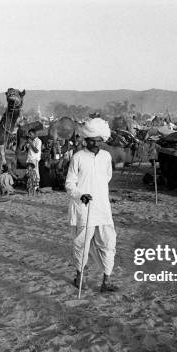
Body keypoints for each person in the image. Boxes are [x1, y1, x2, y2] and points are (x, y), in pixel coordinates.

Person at [65, 117, 118, 292]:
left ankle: (106, 281)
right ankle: (79, 277)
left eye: (99, 141)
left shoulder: (106, 156)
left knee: (108, 243)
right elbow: (69, 184)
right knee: (82, 244)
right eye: (92, 141)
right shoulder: (78, 157)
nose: (96, 144)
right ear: (86, 140)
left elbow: (106, 178)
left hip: (102, 208)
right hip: (84, 208)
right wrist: (81, 195)